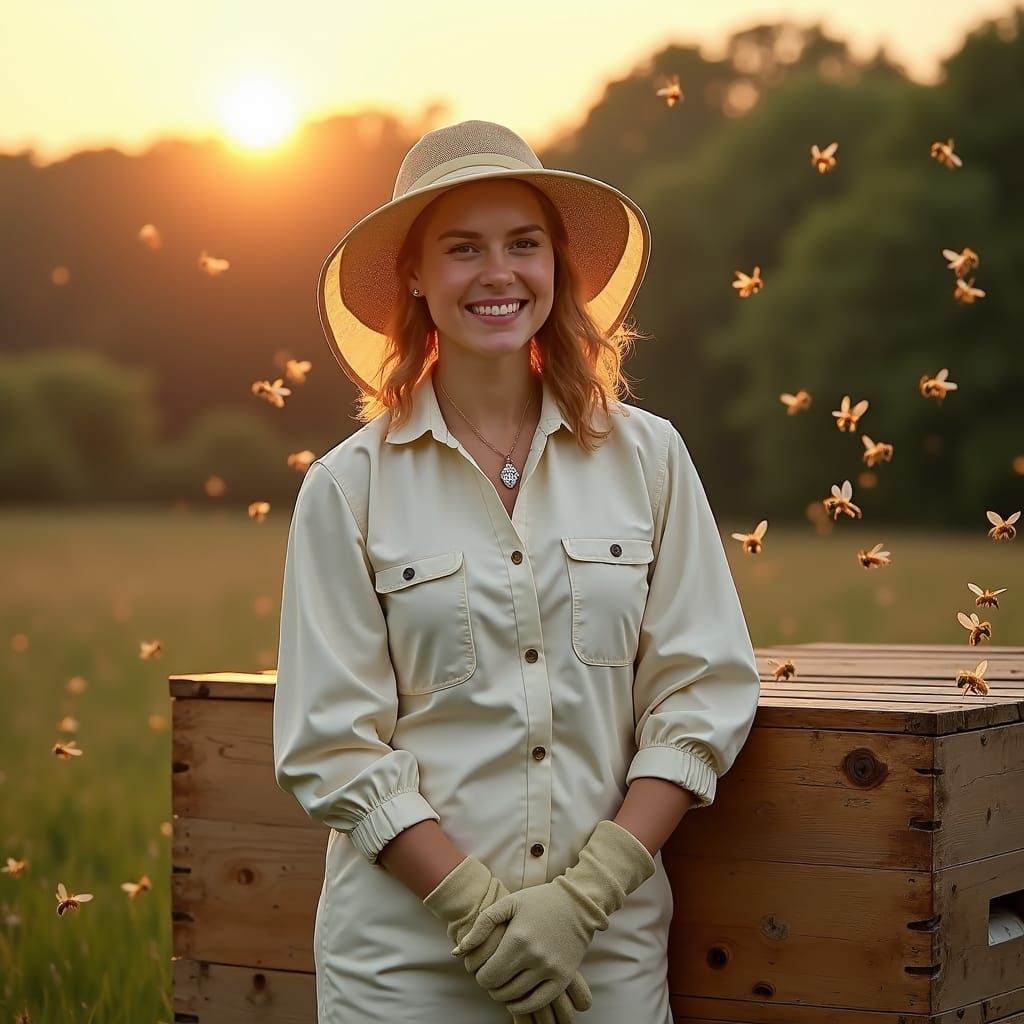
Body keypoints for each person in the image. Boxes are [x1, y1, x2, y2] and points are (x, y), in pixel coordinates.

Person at [273, 119, 761, 1024]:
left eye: (523, 244)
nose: (499, 274)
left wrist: (582, 903)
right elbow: (333, 744)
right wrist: (478, 914)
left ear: (557, 266)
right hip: (406, 972)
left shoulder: (649, 459)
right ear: (415, 276)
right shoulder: (348, 487)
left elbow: (702, 691)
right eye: (464, 249)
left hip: (601, 961)